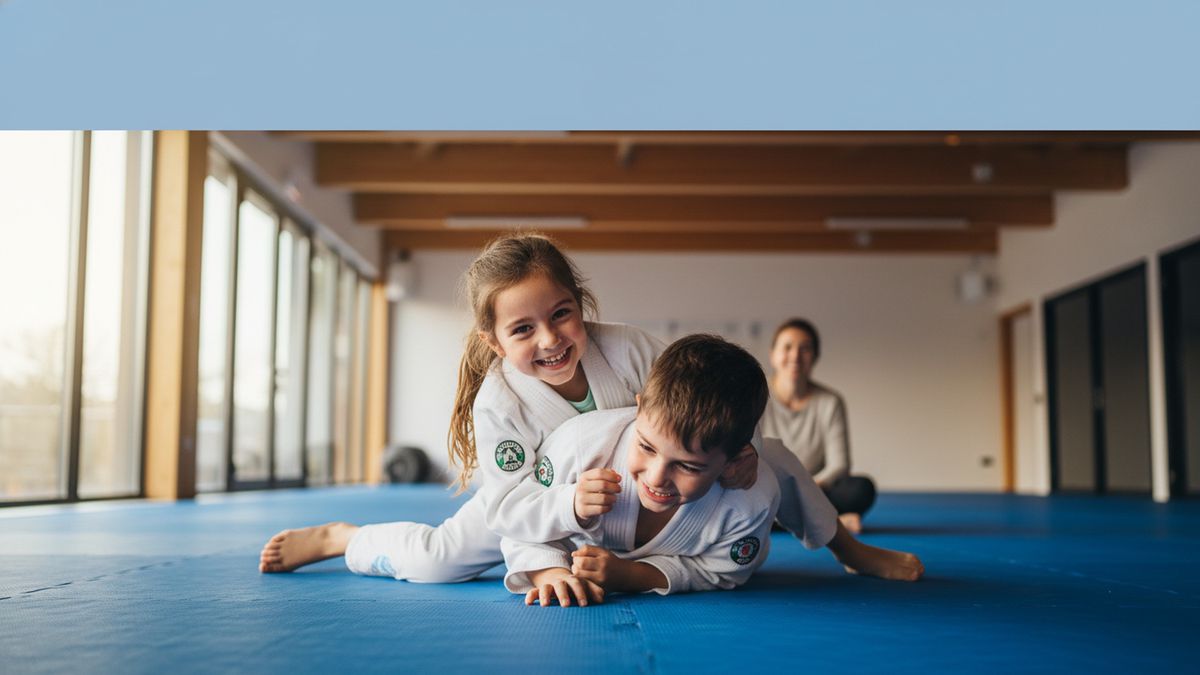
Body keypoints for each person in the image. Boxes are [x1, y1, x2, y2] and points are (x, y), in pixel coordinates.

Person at [257, 233, 909, 583]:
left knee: (775, 457)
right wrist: (562, 518)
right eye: (522, 330)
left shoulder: (632, 350)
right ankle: (347, 538)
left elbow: (713, 395)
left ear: (581, 303)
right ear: (492, 340)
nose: (550, 339)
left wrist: (738, 456)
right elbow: (511, 507)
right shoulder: (500, 404)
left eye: (561, 314)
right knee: (434, 562)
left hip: (648, 493)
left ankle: (847, 546)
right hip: (543, 507)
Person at [504, 335, 922, 606]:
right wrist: (549, 568)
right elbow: (515, 518)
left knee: (777, 458)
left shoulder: (752, 497)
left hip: (742, 481)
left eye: (687, 465)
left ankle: (848, 548)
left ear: (736, 463)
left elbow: (721, 572)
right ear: (638, 409)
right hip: (503, 499)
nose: (655, 477)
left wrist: (631, 576)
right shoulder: (582, 444)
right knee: (443, 560)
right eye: (646, 447)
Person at [763, 318, 875, 534]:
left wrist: (806, 488)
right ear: (773, 355)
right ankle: (825, 522)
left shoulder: (830, 401)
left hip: (816, 488)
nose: (795, 356)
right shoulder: (756, 394)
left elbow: (839, 465)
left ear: (815, 356)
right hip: (768, 487)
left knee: (860, 489)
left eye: (804, 349)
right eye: (787, 347)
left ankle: (782, 521)